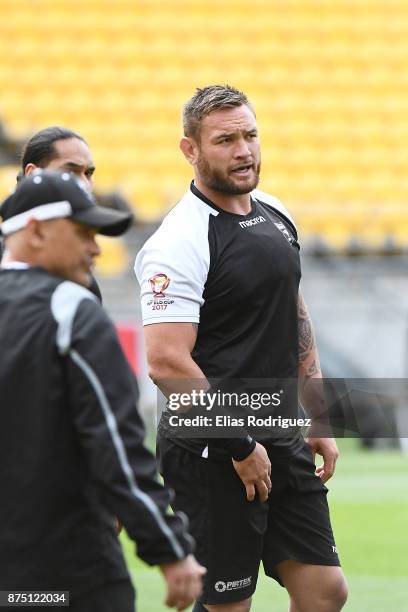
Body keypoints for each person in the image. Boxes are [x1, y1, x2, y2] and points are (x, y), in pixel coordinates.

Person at [135, 85, 348, 612]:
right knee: (230, 606)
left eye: (250, 135)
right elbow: (166, 363)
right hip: (212, 450)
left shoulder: (275, 213)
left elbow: (293, 314)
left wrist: (317, 414)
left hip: (278, 431)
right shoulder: (176, 242)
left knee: (325, 592)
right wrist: (238, 444)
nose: (244, 151)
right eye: (226, 139)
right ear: (190, 149)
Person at [0, 170, 205, 612]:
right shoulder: (71, 311)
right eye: (83, 232)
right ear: (35, 231)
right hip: (69, 570)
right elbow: (116, 444)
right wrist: (168, 547)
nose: (95, 248)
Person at [1, 126, 102, 300]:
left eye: (88, 173)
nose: (85, 184)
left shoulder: (78, 273)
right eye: (71, 171)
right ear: (33, 173)